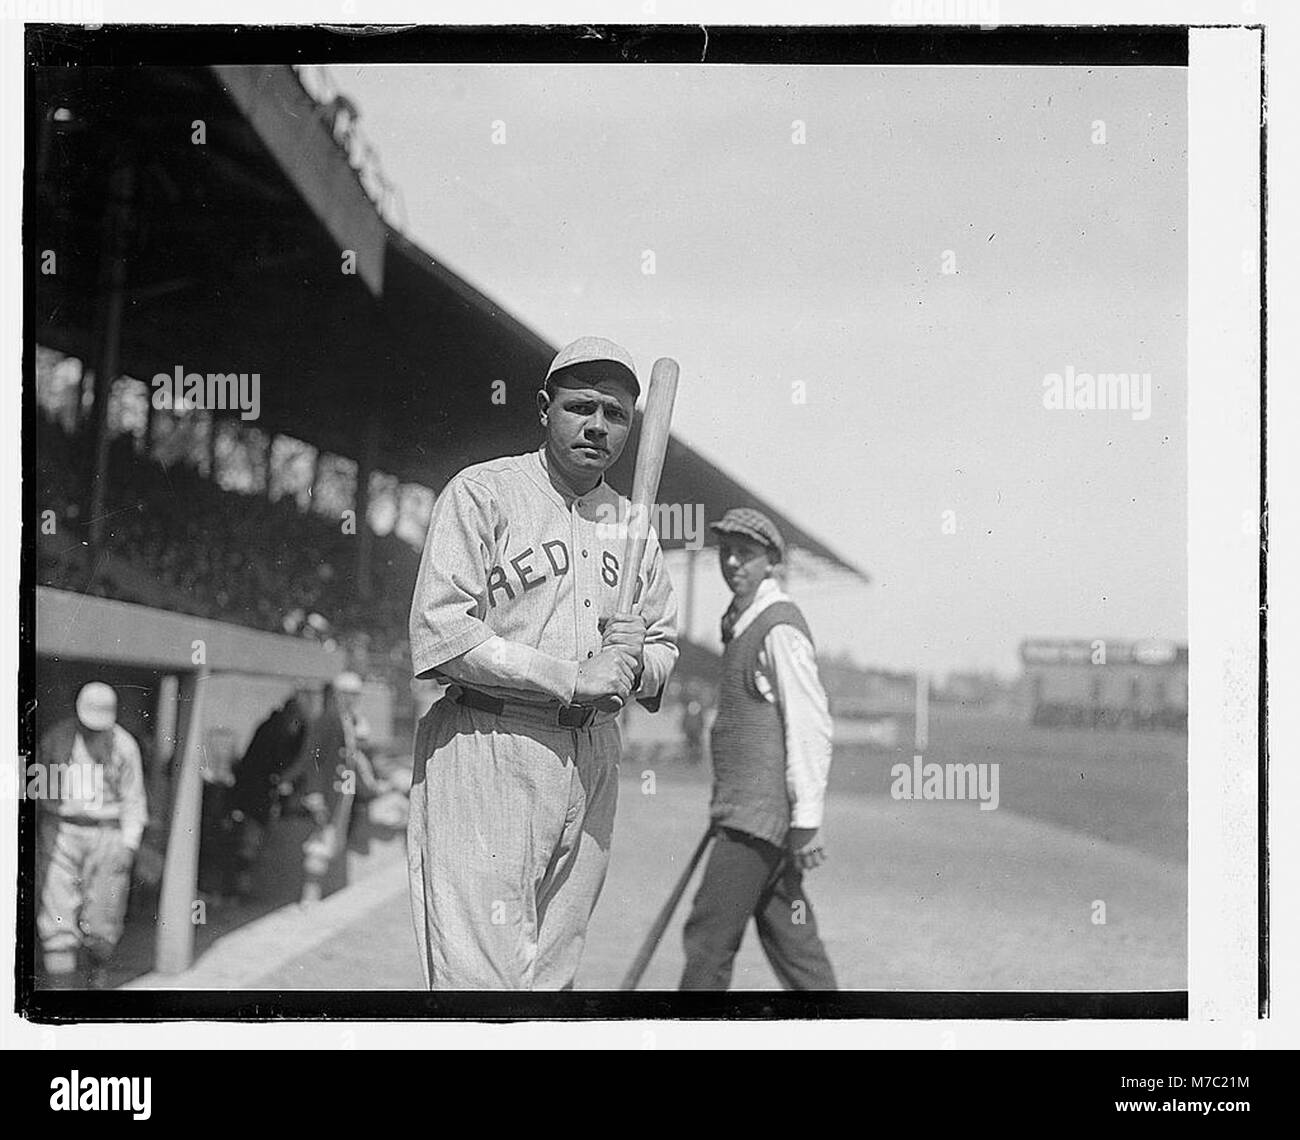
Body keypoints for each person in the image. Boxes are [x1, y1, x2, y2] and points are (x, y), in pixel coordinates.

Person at [407, 335, 679, 990]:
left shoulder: (632, 523)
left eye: (614, 415)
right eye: (581, 407)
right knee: (480, 984)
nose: (597, 426)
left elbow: (665, 645)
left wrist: (637, 662)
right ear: (543, 408)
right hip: (492, 744)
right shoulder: (484, 494)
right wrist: (570, 674)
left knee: (552, 977)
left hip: (593, 757)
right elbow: (441, 631)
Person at [679, 508, 837, 990]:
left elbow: (811, 725)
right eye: (725, 552)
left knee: (708, 940)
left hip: (754, 822)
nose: (731, 563)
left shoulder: (779, 627)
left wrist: (807, 822)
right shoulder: (743, 621)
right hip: (748, 815)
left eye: (744, 554)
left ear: (771, 562)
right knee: (795, 946)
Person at [33, 682, 149, 989]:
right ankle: (62, 1003)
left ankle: (95, 986)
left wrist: (129, 843)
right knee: (57, 924)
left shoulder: (124, 745)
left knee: (101, 925)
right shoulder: (56, 738)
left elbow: (134, 799)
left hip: (108, 834)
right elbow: (36, 789)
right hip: (62, 830)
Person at [226, 695, 307, 897]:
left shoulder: (273, 726)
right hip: (254, 792)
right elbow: (279, 762)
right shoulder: (277, 729)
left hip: (252, 789)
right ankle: (240, 888)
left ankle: (241, 886)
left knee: (250, 839)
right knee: (249, 840)